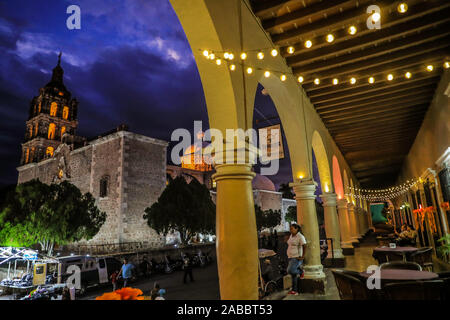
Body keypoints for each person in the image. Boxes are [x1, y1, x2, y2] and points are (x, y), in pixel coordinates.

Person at [286, 224, 307, 296]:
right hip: (290, 257)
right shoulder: (291, 236)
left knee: (290, 270)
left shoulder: (300, 236)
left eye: (292, 229)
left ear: (296, 229)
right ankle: (294, 291)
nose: (290, 230)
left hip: (296, 257)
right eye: (290, 229)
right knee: (293, 275)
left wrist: (303, 256)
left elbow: (304, 246)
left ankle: (301, 271)